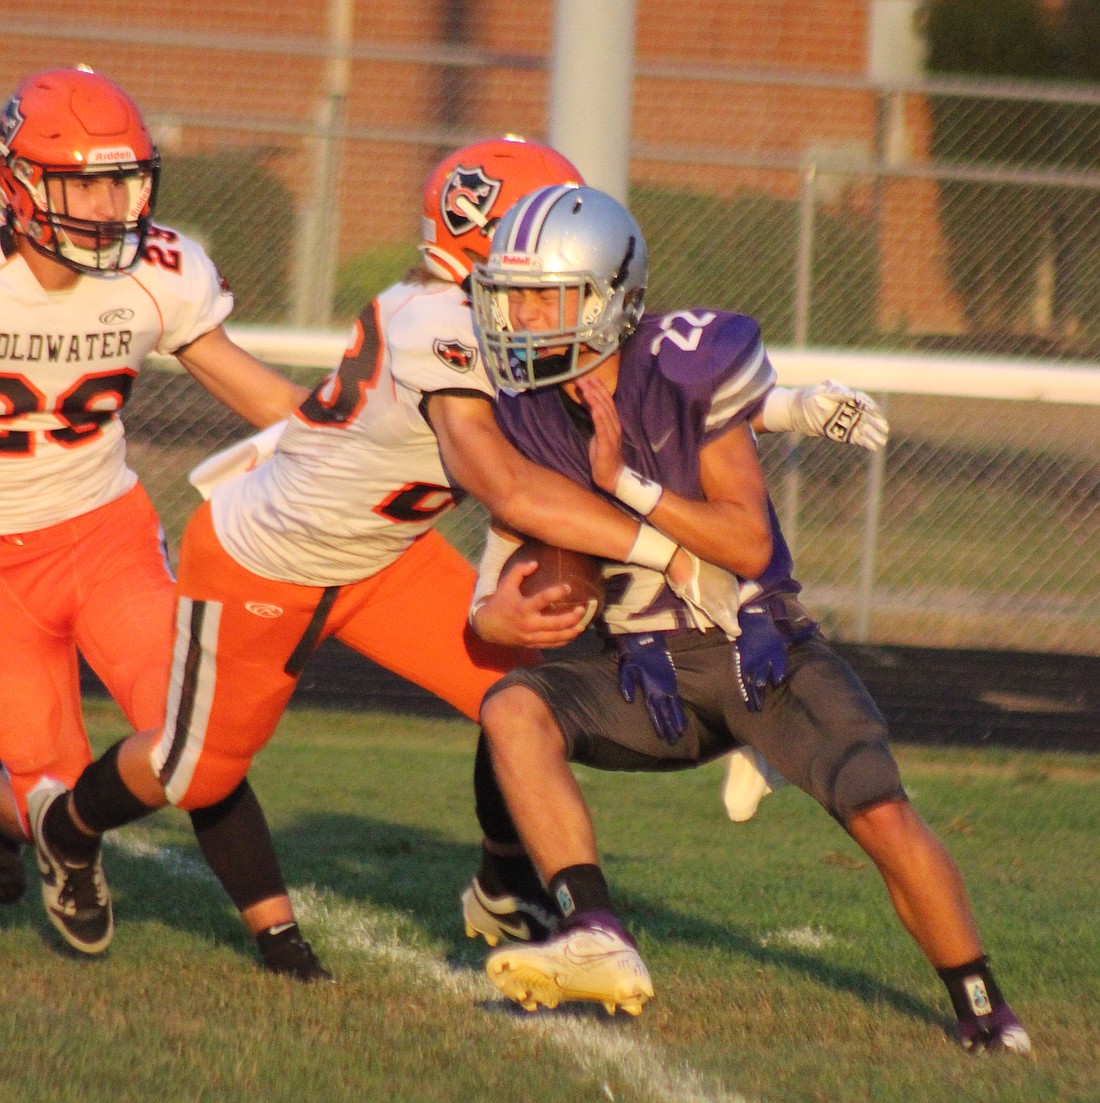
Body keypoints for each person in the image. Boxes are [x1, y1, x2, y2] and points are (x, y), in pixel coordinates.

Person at [27, 136, 890, 967]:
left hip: (388, 553)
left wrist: (788, 404)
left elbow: (647, 373)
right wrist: (666, 552)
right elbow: (509, 487)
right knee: (192, 766)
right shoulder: (440, 321)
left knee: (526, 691)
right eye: (545, 231)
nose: (567, 259)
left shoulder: (511, 311)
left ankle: (505, 884)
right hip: (270, 559)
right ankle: (69, 828)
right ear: (493, 246)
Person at [465, 183, 1031, 1054]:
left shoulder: (684, 366)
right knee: (509, 707)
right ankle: (595, 928)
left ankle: (984, 1006)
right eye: (514, 296)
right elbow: (490, 609)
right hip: (643, 674)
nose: (523, 316)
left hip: (753, 651)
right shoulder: (524, 413)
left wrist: (627, 487)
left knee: (878, 811)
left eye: (545, 294)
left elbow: (746, 539)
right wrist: (499, 616)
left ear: (611, 297)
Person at [0, 66, 328, 978]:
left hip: (104, 534)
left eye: (123, 179)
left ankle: (278, 935)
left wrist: (346, 438)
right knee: (47, 785)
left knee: (194, 731)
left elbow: (249, 384)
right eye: (84, 182)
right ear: (17, 184)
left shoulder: (156, 272)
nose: (110, 204)